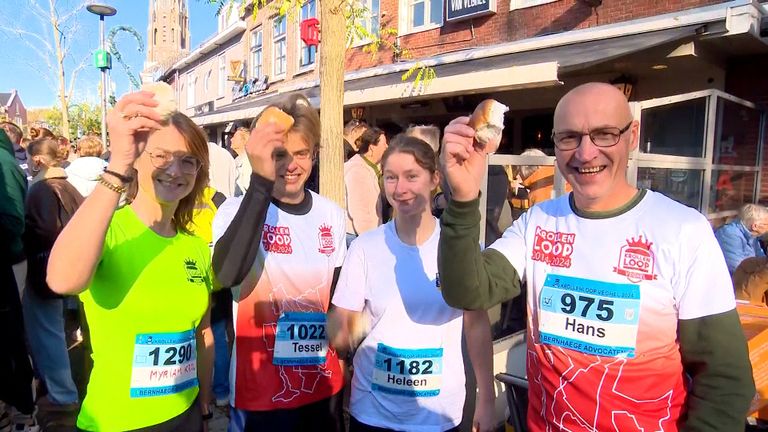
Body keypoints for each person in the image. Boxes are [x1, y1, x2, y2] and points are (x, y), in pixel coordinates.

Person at [437, 82, 754, 431]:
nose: (585, 153)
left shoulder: (682, 230)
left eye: (604, 134)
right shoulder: (538, 222)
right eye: (569, 137)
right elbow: (467, 291)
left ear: (632, 136)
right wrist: (464, 198)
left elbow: (724, 380)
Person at [46, 91, 214, 431]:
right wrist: (119, 163)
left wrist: (206, 403)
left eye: (188, 160)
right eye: (161, 156)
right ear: (138, 158)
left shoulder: (194, 246)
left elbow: (203, 332)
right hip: (118, 421)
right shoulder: (108, 228)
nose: (174, 169)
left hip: (186, 415)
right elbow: (61, 280)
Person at [328, 135, 495, 432]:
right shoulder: (365, 248)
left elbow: (476, 324)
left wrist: (486, 398)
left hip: (437, 415)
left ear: (435, 179)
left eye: (411, 176)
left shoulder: (462, 247)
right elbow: (341, 333)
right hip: (372, 413)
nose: (400, 189)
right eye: (391, 177)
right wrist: (349, 326)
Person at [212, 94, 347, 432]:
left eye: (301, 154)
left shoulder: (331, 214)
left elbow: (336, 301)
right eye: (280, 155)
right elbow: (227, 275)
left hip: (320, 386)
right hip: (259, 394)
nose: (291, 165)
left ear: (313, 155)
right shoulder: (235, 210)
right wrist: (260, 184)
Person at [22, 137, 83, 413]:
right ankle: (62, 390)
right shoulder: (67, 184)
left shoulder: (41, 188)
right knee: (54, 330)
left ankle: (62, 394)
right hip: (65, 265)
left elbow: (46, 229)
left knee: (47, 333)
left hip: (43, 269)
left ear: (37, 160)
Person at [0, 129, 37, 431]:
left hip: (7, 264)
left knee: (10, 339)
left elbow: (13, 220)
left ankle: (23, 413)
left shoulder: (3, 162)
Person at [345, 127, 388, 242]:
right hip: (359, 236)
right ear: (372, 147)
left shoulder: (369, 168)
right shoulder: (358, 170)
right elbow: (360, 210)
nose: (387, 147)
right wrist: (371, 241)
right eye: (384, 144)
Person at [715, 203, 768, 274]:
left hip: (748, 275)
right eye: (767, 224)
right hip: (733, 279)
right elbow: (737, 268)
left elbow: (762, 259)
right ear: (755, 226)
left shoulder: (752, 235)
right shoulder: (730, 234)